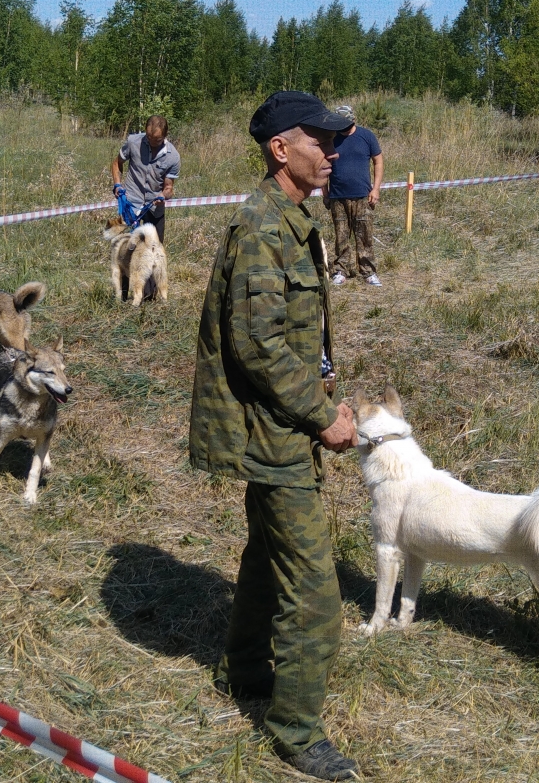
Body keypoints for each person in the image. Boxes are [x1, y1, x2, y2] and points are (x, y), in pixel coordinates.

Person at [189, 91, 360, 781]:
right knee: (316, 588)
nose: (334, 150)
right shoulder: (263, 227)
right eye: (321, 139)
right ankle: (295, 729)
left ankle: (244, 670)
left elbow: (288, 336)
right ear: (280, 149)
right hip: (276, 429)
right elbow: (257, 345)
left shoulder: (294, 219)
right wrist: (322, 418)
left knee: (268, 552)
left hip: (286, 419)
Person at [323, 104, 384, 286]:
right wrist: (325, 192)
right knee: (341, 235)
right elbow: (323, 166)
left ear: (353, 119)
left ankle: (368, 272)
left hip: (363, 196)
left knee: (364, 235)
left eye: (347, 123)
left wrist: (376, 189)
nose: (343, 126)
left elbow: (378, 161)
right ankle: (340, 270)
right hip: (337, 196)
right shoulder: (330, 139)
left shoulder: (366, 136)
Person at [110, 115, 180, 242]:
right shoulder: (133, 142)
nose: (152, 143)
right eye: (148, 137)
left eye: (157, 140)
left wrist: (163, 196)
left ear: (165, 135)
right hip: (130, 204)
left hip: (154, 209)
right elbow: (116, 163)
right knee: (121, 245)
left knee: (154, 250)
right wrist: (117, 184)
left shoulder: (173, 157)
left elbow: (169, 188)